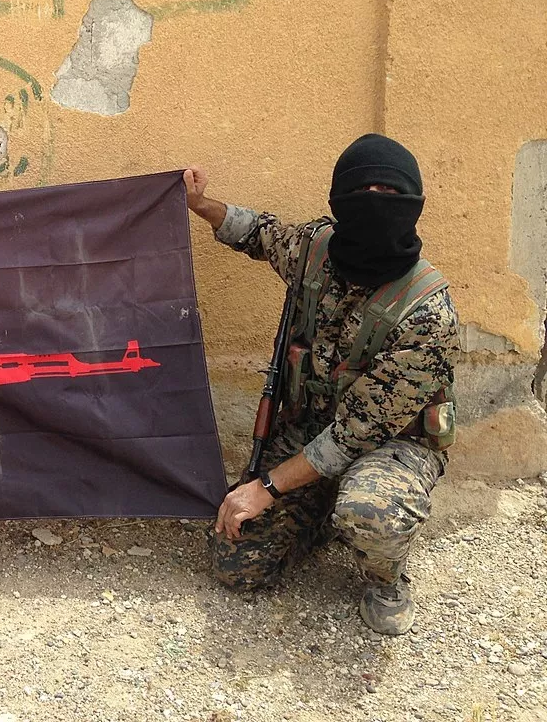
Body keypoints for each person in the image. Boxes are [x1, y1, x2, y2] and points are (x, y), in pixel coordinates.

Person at [184, 134, 459, 635]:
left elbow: (357, 434)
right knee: (236, 563)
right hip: (309, 431)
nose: (378, 204)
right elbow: (259, 234)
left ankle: (385, 576)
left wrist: (268, 486)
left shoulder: (426, 313)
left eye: (391, 194)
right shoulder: (316, 252)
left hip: (393, 446)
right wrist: (201, 205)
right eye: (364, 192)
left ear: (414, 205)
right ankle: (321, 512)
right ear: (339, 204)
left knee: (368, 509)